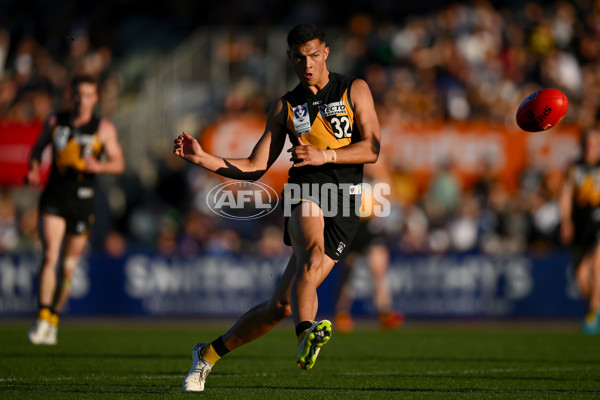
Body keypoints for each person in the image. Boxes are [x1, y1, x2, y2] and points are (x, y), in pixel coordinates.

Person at [173, 23, 381, 391]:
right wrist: (202, 158)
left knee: (281, 306)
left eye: (314, 55)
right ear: (290, 58)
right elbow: (254, 167)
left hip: (346, 202)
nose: (308, 64)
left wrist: (325, 154)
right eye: (300, 57)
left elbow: (372, 148)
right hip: (306, 191)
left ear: (326, 53)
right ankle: (306, 335)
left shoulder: (354, 89)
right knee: (312, 256)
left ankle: (207, 355)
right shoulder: (286, 106)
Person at [26, 75, 125, 345]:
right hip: (55, 196)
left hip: (82, 201)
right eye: (78, 94)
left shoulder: (102, 128)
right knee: (49, 255)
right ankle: (42, 316)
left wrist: (99, 166)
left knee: (68, 269)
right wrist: (33, 169)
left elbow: (118, 163)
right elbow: (37, 150)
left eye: (88, 95)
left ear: (96, 99)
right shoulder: (55, 122)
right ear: (72, 95)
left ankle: (54, 318)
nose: (82, 100)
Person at [334, 158, 403, 333]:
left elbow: (389, 196)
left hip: (369, 226)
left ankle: (384, 312)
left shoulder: (378, 180)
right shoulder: (350, 175)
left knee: (378, 270)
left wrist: (380, 172)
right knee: (349, 271)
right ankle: (342, 313)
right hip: (352, 226)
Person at [560, 128, 600, 335]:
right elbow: (566, 195)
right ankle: (596, 308)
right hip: (583, 226)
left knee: (596, 269)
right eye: (588, 141)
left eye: (595, 141)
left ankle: (593, 315)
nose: (591, 145)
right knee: (581, 278)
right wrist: (566, 221)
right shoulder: (575, 168)